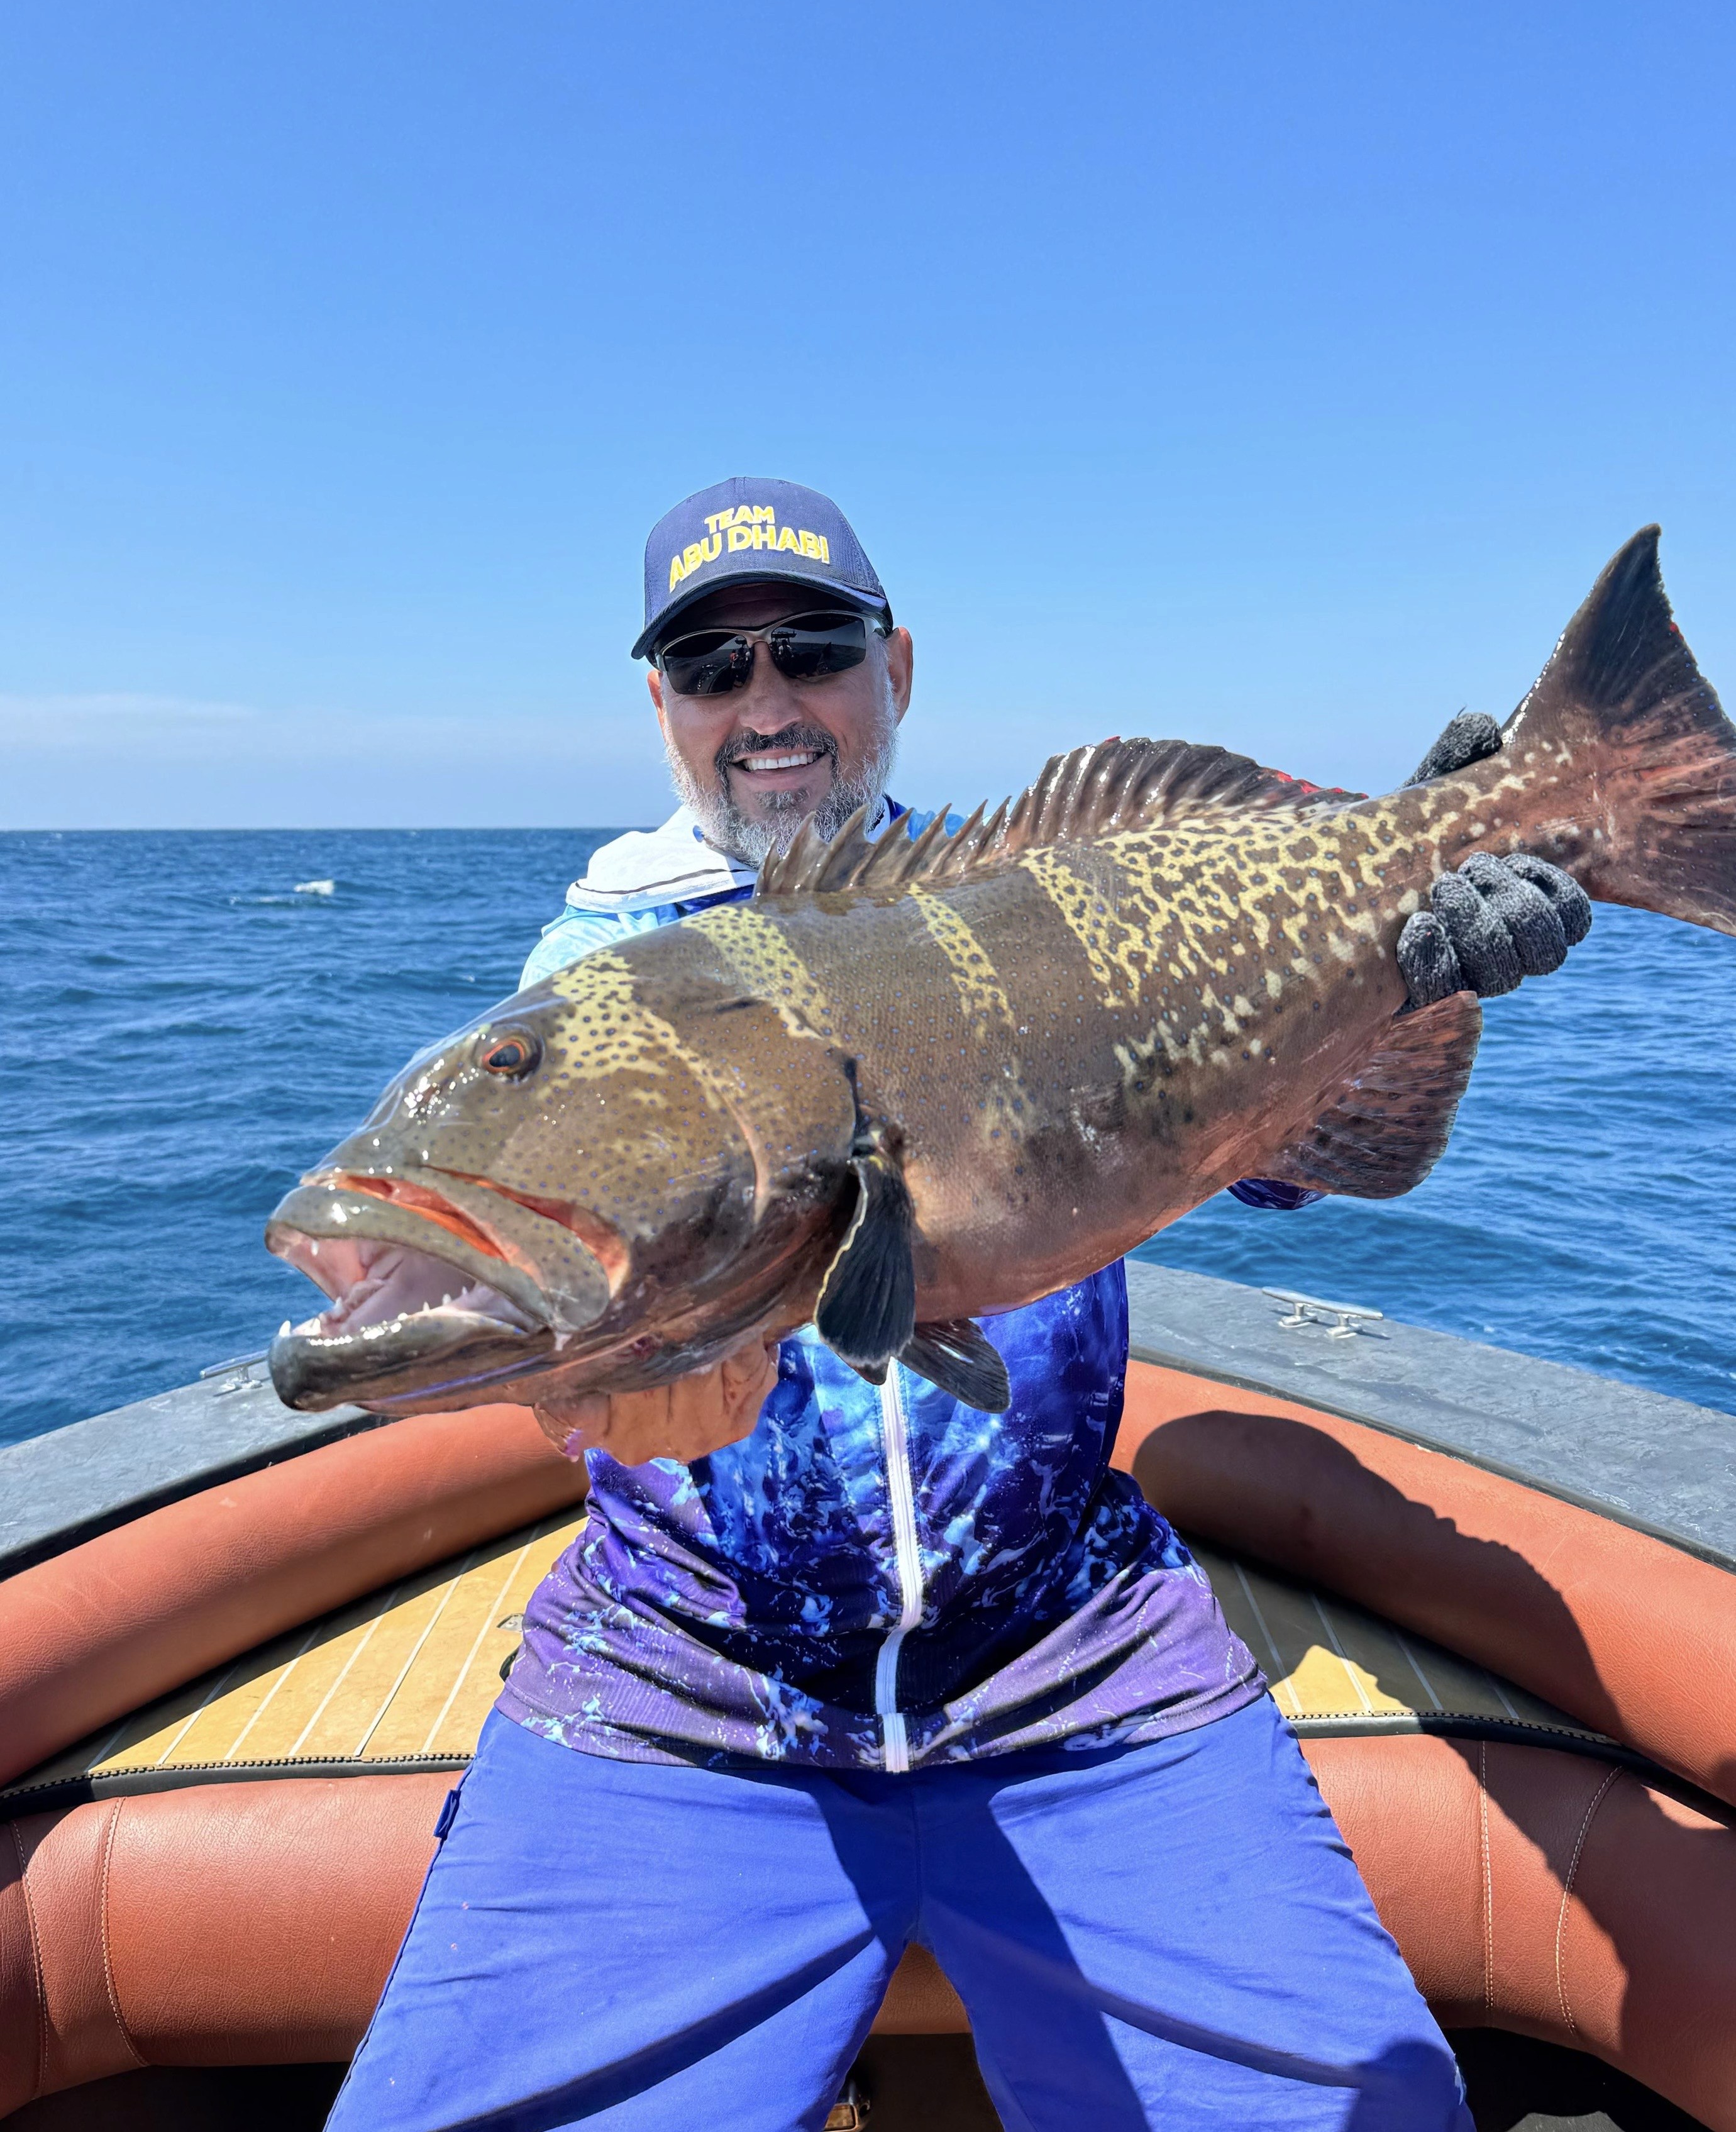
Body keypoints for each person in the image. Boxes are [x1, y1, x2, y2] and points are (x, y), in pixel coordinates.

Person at [328, 479, 1589, 2131]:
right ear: (660, 706)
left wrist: (1397, 936)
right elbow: (624, 1368)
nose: (765, 703)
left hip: (1076, 1647)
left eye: (813, 649)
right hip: (691, 1675)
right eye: (711, 668)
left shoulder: (1048, 895)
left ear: (894, 668)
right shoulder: (593, 976)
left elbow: (1284, 1163)